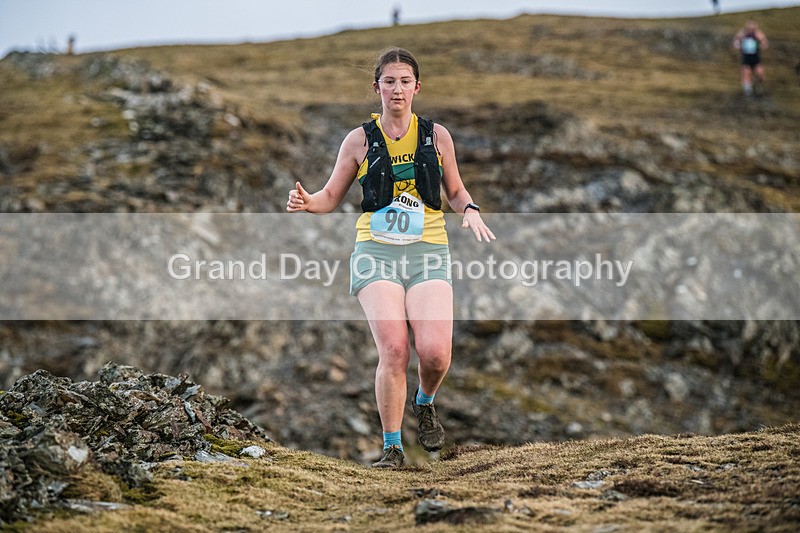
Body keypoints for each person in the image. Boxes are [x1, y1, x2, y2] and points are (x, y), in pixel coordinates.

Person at [287, 47, 494, 468]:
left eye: (404, 81)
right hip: (375, 254)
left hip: (428, 251)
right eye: (388, 81)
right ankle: (392, 447)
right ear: (376, 87)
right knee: (395, 350)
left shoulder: (437, 136)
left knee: (435, 354)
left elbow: (454, 191)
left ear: (417, 87)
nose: (396, 89)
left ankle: (425, 401)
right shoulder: (359, 140)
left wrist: (469, 209)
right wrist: (307, 201)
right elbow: (330, 196)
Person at [732, 20, 769, 97]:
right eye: (749, 27)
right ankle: (747, 92)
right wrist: (737, 45)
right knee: (746, 73)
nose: (751, 29)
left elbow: (765, 43)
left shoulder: (758, 34)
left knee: (760, 73)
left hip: (755, 57)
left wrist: (762, 45)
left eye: (752, 27)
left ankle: (759, 87)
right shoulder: (742, 33)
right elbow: (736, 40)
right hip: (746, 57)